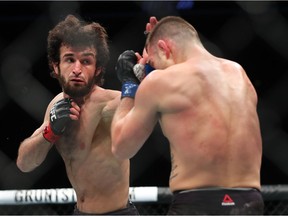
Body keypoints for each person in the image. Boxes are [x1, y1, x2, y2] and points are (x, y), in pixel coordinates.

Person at [111, 16, 264, 215]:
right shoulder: (238, 73)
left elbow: (121, 147)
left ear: (165, 49)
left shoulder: (160, 81)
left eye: (153, 64)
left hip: (198, 204)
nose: (152, 70)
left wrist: (130, 85)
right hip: (249, 203)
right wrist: (155, 43)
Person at [16, 14, 139, 215]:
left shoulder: (112, 103)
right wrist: (50, 131)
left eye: (86, 61)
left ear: (98, 69)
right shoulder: (56, 104)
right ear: (56, 66)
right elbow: (24, 164)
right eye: (70, 59)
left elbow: (155, 109)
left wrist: (139, 81)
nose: (77, 69)